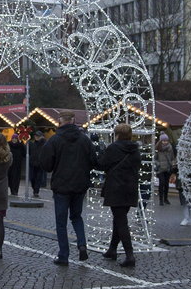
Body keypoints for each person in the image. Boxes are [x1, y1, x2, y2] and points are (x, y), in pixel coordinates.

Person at [40, 110, 95, 265]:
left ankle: (63, 255)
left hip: (61, 186)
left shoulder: (54, 140)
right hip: (80, 185)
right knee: (77, 217)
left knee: (61, 221)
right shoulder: (85, 140)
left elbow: (46, 164)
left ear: (60, 120)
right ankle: (82, 244)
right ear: (73, 120)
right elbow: (93, 160)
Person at [97, 124, 142, 267]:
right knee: (119, 219)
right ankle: (112, 250)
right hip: (130, 188)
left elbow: (102, 164)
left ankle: (130, 255)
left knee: (121, 221)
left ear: (117, 134)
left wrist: (101, 153)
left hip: (116, 188)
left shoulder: (113, 148)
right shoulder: (135, 150)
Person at [155, 133, 176, 205]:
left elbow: (172, 157)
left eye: (166, 141)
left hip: (168, 168)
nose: (165, 142)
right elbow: (155, 158)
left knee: (166, 184)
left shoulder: (170, 148)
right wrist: (158, 164)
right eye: (163, 141)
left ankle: (165, 198)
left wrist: (173, 164)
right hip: (160, 168)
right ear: (160, 141)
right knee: (162, 183)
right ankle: (161, 200)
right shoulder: (157, 148)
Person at [27, 131, 46, 198]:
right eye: (35, 136)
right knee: (32, 178)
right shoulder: (33, 144)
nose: (36, 137)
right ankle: (34, 189)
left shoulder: (44, 144)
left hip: (40, 164)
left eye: (38, 136)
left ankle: (36, 191)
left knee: (38, 178)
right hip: (32, 163)